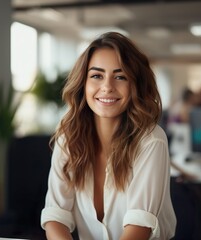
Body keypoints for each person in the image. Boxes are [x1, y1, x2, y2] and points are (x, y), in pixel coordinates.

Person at [40, 32, 176, 240]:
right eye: (97, 75)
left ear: (135, 85)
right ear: (83, 83)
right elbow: (55, 216)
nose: (107, 87)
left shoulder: (151, 140)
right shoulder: (68, 137)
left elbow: (139, 228)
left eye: (120, 77)